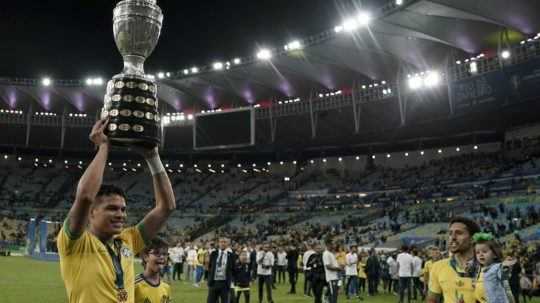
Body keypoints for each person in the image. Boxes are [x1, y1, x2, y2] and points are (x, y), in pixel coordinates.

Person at [57, 118, 176, 303]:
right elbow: (86, 196)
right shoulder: (75, 242)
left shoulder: (128, 240)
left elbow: (166, 207)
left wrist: (153, 157)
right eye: (112, 209)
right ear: (92, 212)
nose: (121, 214)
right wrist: (104, 146)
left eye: (123, 209)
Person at [427, 217, 481, 303]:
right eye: (450, 233)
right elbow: (432, 300)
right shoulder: (438, 266)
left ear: (472, 239)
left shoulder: (487, 268)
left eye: (459, 233)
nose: (453, 237)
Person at [473, 232, 515, 303]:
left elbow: (503, 275)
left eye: (484, 251)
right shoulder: (479, 270)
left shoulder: (496, 267)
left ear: (494, 255)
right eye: (477, 252)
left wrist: (506, 266)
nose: (481, 254)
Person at [135, 238, 172, 303]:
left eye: (165, 254)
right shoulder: (134, 285)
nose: (162, 257)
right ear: (146, 256)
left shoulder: (166, 287)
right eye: (157, 253)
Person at [207, 237, 235, 303]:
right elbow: (210, 267)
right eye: (221, 242)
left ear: (227, 244)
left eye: (224, 242)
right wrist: (209, 279)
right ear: (218, 243)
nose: (223, 243)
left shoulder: (231, 255)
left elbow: (233, 269)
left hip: (225, 284)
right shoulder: (213, 254)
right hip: (214, 283)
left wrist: (230, 280)